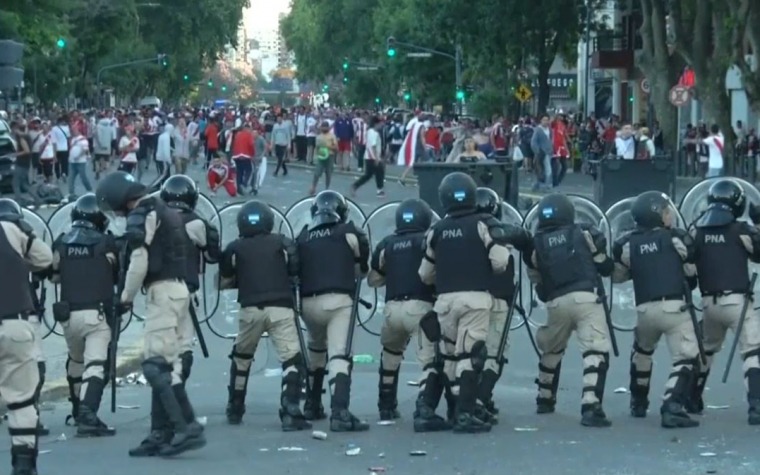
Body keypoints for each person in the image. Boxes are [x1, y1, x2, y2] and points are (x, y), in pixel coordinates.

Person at [95, 171, 206, 457]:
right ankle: (161, 433)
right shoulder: (163, 209)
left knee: (155, 366)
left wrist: (126, 296)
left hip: (163, 292)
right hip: (180, 291)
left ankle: (186, 427)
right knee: (166, 365)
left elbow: (139, 259)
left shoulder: (143, 212)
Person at [418, 173, 515, 433]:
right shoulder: (484, 223)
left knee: (448, 356)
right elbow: (500, 262)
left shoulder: (436, 230)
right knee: (471, 356)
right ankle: (465, 414)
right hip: (476, 298)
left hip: (445, 301)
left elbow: (425, 274)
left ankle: (450, 408)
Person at [524, 193, 614, 427]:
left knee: (552, 349)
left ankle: (544, 398)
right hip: (587, 298)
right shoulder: (584, 233)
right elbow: (605, 265)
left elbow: (537, 283)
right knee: (595, 350)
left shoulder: (537, 243)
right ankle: (591, 405)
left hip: (556, 303)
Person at [219, 200, 311, 431]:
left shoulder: (234, 247)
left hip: (250, 308)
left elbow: (225, 279)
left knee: (242, 356)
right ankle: (290, 409)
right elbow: (295, 267)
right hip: (280, 306)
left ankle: (235, 406)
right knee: (291, 358)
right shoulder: (281, 242)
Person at [611, 191, 700, 428]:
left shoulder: (628, 243)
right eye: (666, 211)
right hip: (674, 308)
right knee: (687, 357)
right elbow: (691, 270)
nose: (670, 215)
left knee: (642, 352)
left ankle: (638, 401)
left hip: (644, 310)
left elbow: (618, 275)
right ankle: (671, 404)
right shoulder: (675, 238)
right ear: (658, 216)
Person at [367, 198, 450, 430]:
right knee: (429, 360)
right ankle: (424, 408)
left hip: (392, 309)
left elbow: (374, 279)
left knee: (390, 355)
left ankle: (386, 404)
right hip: (421, 308)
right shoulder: (426, 240)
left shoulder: (387, 244)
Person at [297, 190, 370, 432]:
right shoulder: (348, 231)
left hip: (308, 303)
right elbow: (362, 263)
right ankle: (339, 412)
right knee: (339, 354)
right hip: (338, 300)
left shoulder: (304, 236)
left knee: (315, 350)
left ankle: (312, 403)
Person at [688, 179, 760, 424]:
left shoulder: (697, 231)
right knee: (752, 350)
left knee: (706, 350)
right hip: (737, 301)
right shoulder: (740, 231)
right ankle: (756, 406)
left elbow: (686, 262)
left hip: (709, 301)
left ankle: (692, 396)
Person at [49, 194, 118, 436]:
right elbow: (118, 273)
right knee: (95, 365)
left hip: (68, 316)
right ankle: (88, 415)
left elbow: (53, 274)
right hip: (96, 315)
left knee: (76, 361)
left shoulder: (62, 242)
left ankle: (78, 410)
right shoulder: (107, 243)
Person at [0, 198, 53, 475]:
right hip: (14, 323)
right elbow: (45, 259)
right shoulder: (10, 228)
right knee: (21, 399)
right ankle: (23, 466)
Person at [474, 187, 531, 424]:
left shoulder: (458, 227)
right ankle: (480, 399)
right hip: (497, 298)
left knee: (466, 351)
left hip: (469, 298)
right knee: (495, 352)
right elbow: (525, 238)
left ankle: (468, 399)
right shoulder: (499, 230)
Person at [160, 176, 221, 387]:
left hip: (157, 291)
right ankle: (176, 392)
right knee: (184, 345)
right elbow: (213, 255)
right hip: (186, 290)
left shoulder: (153, 220)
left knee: (160, 346)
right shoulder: (196, 223)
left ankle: (162, 401)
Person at [350, 116, 385, 198]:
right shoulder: (374, 133)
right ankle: (379, 190)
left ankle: (379, 190)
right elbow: (372, 146)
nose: (382, 125)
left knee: (373, 174)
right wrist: (376, 158)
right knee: (374, 174)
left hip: (370, 157)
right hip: (371, 157)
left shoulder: (369, 131)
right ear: (377, 124)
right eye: (380, 123)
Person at [309, 122, 337, 196]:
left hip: (330, 156)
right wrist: (316, 156)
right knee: (317, 172)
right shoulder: (319, 137)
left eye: (325, 127)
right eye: (322, 127)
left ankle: (327, 189)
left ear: (328, 128)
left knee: (328, 173)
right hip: (321, 157)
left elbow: (336, 148)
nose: (324, 128)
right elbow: (317, 148)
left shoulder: (332, 136)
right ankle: (313, 187)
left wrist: (328, 146)